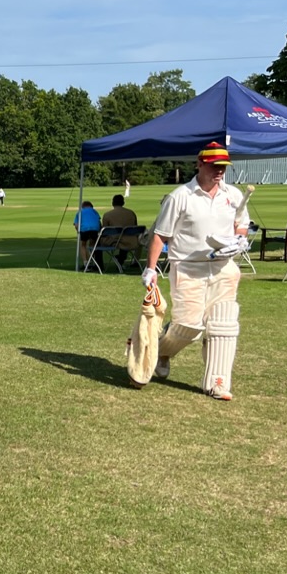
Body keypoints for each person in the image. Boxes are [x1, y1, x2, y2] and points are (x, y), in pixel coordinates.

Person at [141, 142, 250, 401]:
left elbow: (241, 225)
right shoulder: (180, 196)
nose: (219, 172)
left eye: (223, 167)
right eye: (214, 166)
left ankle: (217, 383)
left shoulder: (233, 195)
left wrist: (239, 241)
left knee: (222, 324)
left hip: (223, 268)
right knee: (190, 326)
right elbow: (160, 235)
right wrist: (151, 269)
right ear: (199, 164)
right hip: (188, 267)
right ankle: (162, 351)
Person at [102, 194, 139, 270]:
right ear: (123, 202)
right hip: (132, 241)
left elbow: (104, 232)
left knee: (97, 241)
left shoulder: (107, 215)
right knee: (124, 237)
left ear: (112, 203)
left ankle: (98, 264)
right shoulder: (131, 213)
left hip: (115, 241)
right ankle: (121, 259)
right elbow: (135, 227)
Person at [74, 200, 101, 269]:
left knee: (83, 244)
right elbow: (99, 221)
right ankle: (92, 260)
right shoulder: (95, 211)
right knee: (92, 244)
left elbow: (76, 225)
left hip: (84, 229)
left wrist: (79, 232)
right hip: (95, 229)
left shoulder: (80, 212)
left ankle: (85, 262)